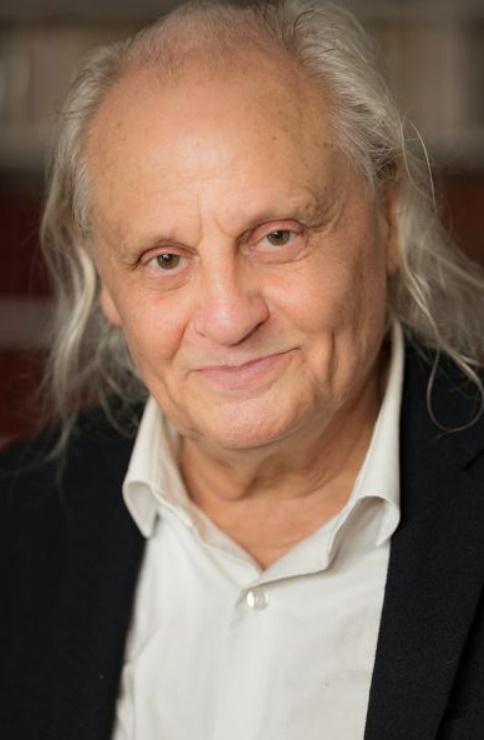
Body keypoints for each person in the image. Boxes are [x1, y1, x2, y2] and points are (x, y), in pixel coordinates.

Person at [2, 1, 484, 738]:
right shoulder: (16, 527)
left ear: (389, 217)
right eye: (165, 259)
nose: (229, 318)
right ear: (103, 279)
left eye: (277, 236)